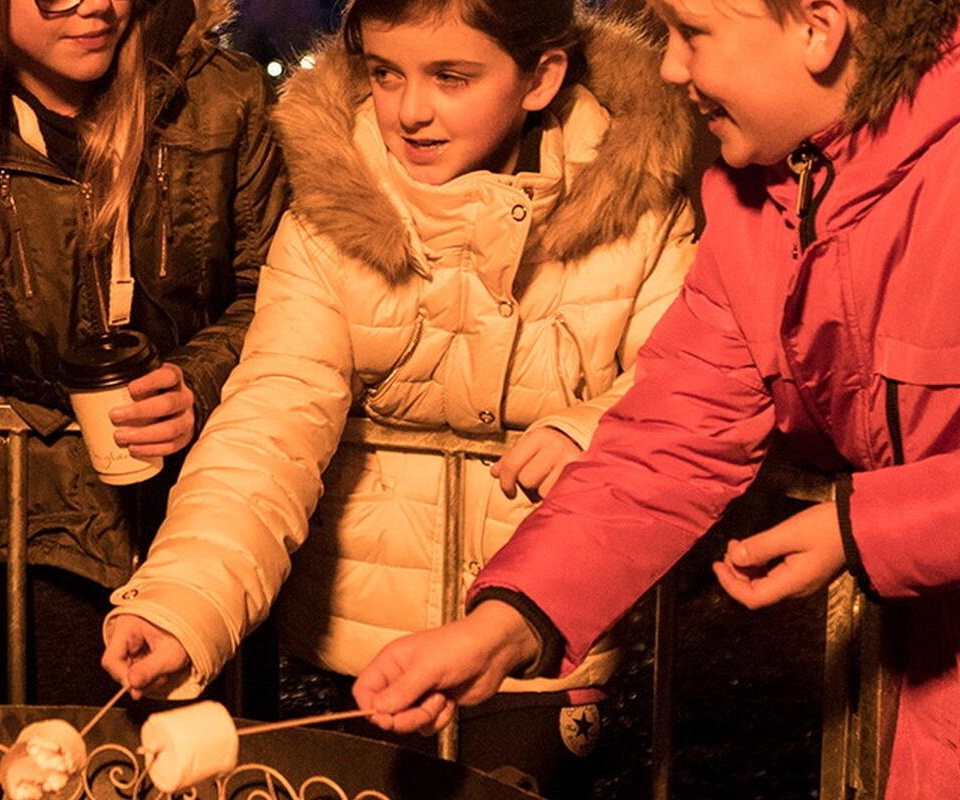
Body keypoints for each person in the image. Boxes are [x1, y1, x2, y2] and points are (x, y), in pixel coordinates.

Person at [351, 0, 960, 798]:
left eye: (692, 33)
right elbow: (673, 433)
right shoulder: (765, 195)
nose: (670, 67)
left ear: (818, 28)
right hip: (953, 713)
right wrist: (508, 624)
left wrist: (868, 527)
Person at [100, 0, 696, 794]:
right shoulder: (329, 215)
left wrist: (593, 433)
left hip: (541, 646)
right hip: (361, 654)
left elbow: (684, 391)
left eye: (451, 77)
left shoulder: (642, 208)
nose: (410, 111)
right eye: (386, 73)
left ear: (541, 76)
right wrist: (182, 602)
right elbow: (271, 420)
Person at [0, 0, 286, 704]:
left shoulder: (218, 96)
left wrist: (198, 381)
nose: (97, 5)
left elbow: (284, 295)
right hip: (42, 530)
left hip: (220, 511)